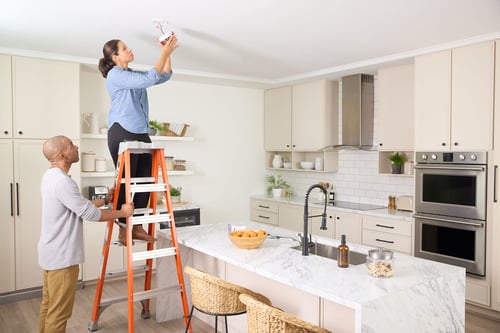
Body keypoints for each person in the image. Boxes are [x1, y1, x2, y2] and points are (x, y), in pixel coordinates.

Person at [38, 135, 134, 333]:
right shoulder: (63, 182)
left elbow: (79, 206)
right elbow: (90, 214)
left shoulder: (51, 177)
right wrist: (123, 213)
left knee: (48, 307)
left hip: (50, 254)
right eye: (71, 145)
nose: (76, 147)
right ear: (62, 154)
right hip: (62, 259)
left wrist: (106, 200)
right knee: (59, 314)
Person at [98, 33, 178, 245]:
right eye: (125, 48)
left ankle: (137, 226)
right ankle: (124, 230)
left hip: (141, 131)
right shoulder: (116, 75)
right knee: (128, 182)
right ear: (115, 57)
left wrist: (167, 55)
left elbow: (164, 75)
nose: (130, 50)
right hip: (122, 130)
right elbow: (151, 77)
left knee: (145, 181)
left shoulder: (132, 75)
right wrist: (164, 52)